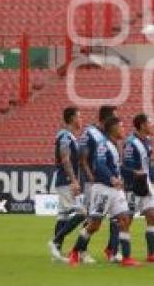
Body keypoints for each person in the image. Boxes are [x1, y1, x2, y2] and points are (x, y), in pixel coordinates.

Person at [68, 116, 140, 267]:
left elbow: (114, 166)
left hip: (116, 190)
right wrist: (112, 178)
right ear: (113, 129)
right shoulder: (103, 145)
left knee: (125, 220)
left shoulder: (115, 145)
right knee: (94, 225)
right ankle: (75, 251)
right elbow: (99, 165)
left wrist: (127, 175)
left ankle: (126, 258)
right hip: (103, 189)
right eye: (121, 126)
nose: (123, 129)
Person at [122, 113, 154, 262]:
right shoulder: (131, 143)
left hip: (147, 185)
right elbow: (125, 167)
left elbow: (148, 165)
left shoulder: (147, 142)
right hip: (134, 186)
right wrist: (132, 181)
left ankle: (151, 254)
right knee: (127, 220)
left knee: (153, 216)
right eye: (149, 123)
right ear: (142, 125)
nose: (152, 126)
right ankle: (122, 255)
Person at [78, 104, 120, 263]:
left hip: (111, 183)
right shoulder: (90, 133)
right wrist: (91, 177)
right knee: (93, 218)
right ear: (107, 118)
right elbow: (82, 158)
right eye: (115, 116)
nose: (117, 120)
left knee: (117, 216)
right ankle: (81, 251)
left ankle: (112, 250)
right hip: (95, 183)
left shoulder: (110, 135)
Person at [47, 106, 86, 262]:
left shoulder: (69, 136)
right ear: (72, 119)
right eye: (79, 116)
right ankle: (55, 241)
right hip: (66, 181)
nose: (81, 120)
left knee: (63, 216)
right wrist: (74, 180)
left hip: (65, 180)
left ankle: (56, 252)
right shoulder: (65, 137)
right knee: (82, 213)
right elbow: (65, 159)